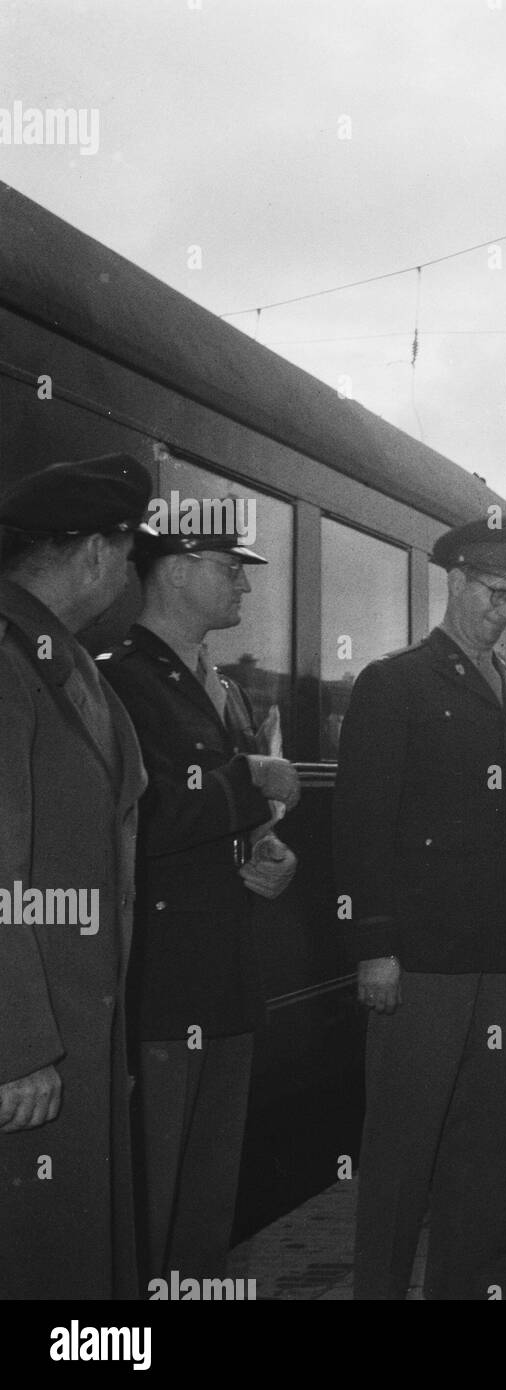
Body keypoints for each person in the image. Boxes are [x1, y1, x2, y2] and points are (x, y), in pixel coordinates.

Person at [333, 517, 506, 1300]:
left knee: (486, 1146)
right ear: (455, 582)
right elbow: (361, 826)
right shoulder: (394, 686)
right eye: (496, 593)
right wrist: (373, 945)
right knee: (401, 1147)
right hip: (421, 959)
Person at [98, 527, 299, 1286]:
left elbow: (238, 824)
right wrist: (251, 775)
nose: (244, 586)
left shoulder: (223, 688)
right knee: (152, 1206)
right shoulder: (118, 681)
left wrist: (273, 854)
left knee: (206, 1206)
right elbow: (136, 818)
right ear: (176, 573)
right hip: (160, 984)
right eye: (228, 570)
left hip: (225, 979)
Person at [0, 453, 153, 1299]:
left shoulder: (71, 666)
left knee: (84, 1260)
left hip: (82, 1026)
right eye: (127, 555)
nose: (127, 575)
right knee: (40, 1259)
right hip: (33, 1050)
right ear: (96, 552)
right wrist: (16, 1046)